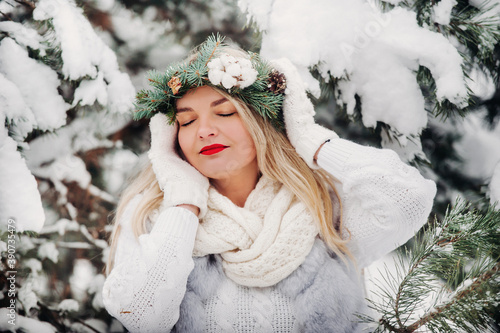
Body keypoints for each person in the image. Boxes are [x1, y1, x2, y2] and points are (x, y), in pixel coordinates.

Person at [102, 35, 437, 332]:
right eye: (187, 120)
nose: (204, 130)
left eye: (225, 113)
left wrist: (308, 138)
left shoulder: (321, 206)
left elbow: (408, 199)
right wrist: (184, 200)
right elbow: (141, 315)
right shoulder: (154, 216)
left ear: (260, 120)